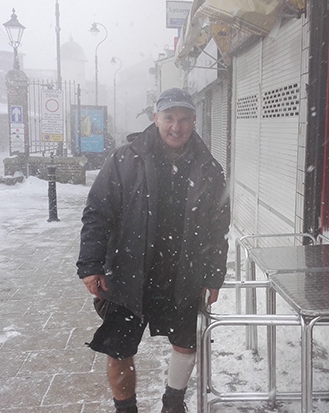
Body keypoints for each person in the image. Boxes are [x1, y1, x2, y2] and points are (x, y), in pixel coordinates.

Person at [77, 87, 230, 413]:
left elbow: (219, 228)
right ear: (156, 118)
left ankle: (173, 403)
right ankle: (126, 408)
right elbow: (97, 213)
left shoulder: (209, 168)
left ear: (194, 120)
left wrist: (214, 275)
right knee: (119, 351)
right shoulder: (124, 160)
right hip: (127, 274)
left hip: (182, 276)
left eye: (184, 119)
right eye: (170, 117)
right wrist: (91, 264)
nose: (177, 126)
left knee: (185, 344)